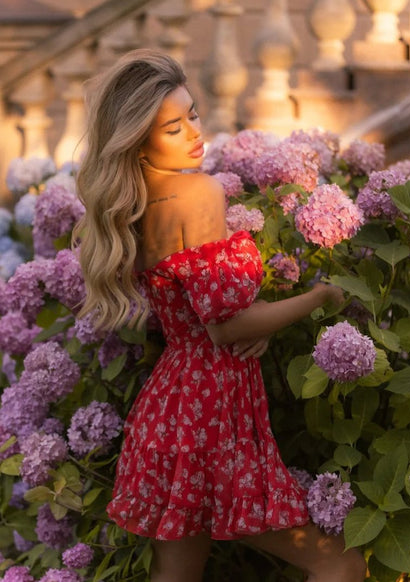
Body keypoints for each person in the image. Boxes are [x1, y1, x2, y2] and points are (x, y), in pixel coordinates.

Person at [74, 49, 367, 582]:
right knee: (341, 565)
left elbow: (199, 318)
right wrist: (321, 296)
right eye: (171, 126)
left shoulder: (138, 202)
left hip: (171, 407)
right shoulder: (199, 192)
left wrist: (246, 325)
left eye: (193, 114)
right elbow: (223, 325)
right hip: (211, 413)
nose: (192, 132)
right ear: (138, 141)